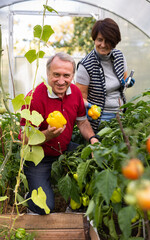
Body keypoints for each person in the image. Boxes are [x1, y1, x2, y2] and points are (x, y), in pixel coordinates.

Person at [19, 52, 99, 215]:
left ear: (72, 76)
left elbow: (82, 122)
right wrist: (47, 134)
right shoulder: (34, 98)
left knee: (91, 164)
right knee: (43, 207)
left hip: (64, 149)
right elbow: (23, 138)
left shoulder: (75, 93)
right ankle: (31, 196)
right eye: (56, 75)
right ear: (48, 73)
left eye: (66, 75)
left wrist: (93, 138)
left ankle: (75, 205)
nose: (61, 81)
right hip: (38, 156)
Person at [76, 18, 135, 133]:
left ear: (114, 41)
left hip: (121, 113)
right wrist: (90, 107)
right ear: (94, 39)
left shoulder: (119, 56)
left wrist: (127, 82)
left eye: (107, 41)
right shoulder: (86, 65)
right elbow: (80, 97)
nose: (103, 45)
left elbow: (122, 81)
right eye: (99, 40)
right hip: (99, 120)